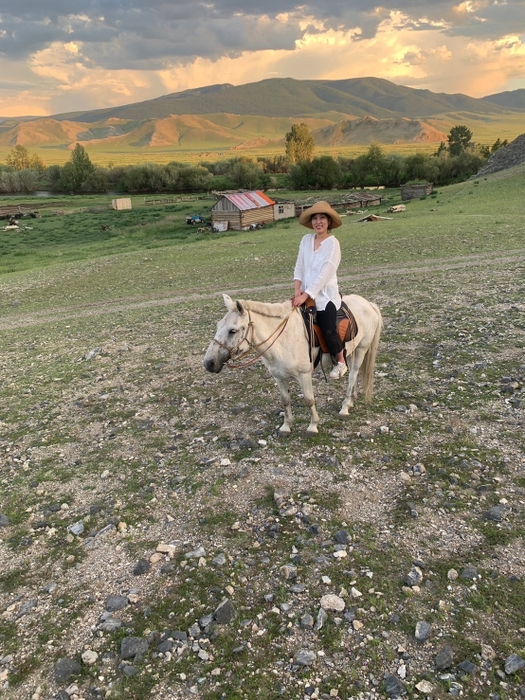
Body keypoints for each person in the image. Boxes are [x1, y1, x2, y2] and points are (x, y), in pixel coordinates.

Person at [292, 201, 347, 379]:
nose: (318, 221)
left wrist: (307, 295)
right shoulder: (305, 240)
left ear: (329, 221)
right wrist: (297, 291)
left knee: (329, 329)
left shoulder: (333, 244)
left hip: (325, 296)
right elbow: (299, 266)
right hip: (304, 294)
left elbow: (325, 274)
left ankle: (340, 361)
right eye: (315, 218)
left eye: (322, 217)